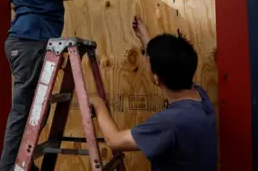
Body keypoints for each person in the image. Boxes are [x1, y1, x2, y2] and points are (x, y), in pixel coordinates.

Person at [0, 0, 93, 171]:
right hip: (31, 42)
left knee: (33, 116)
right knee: (23, 116)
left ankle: (23, 166)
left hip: (27, 41)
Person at [89, 16, 218, 171]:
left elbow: (114, 140)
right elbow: (170, 66)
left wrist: (98, 103)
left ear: (157, 78)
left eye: (148, 62)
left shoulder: (170, 122)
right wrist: (144, 36)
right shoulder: (200, 97)